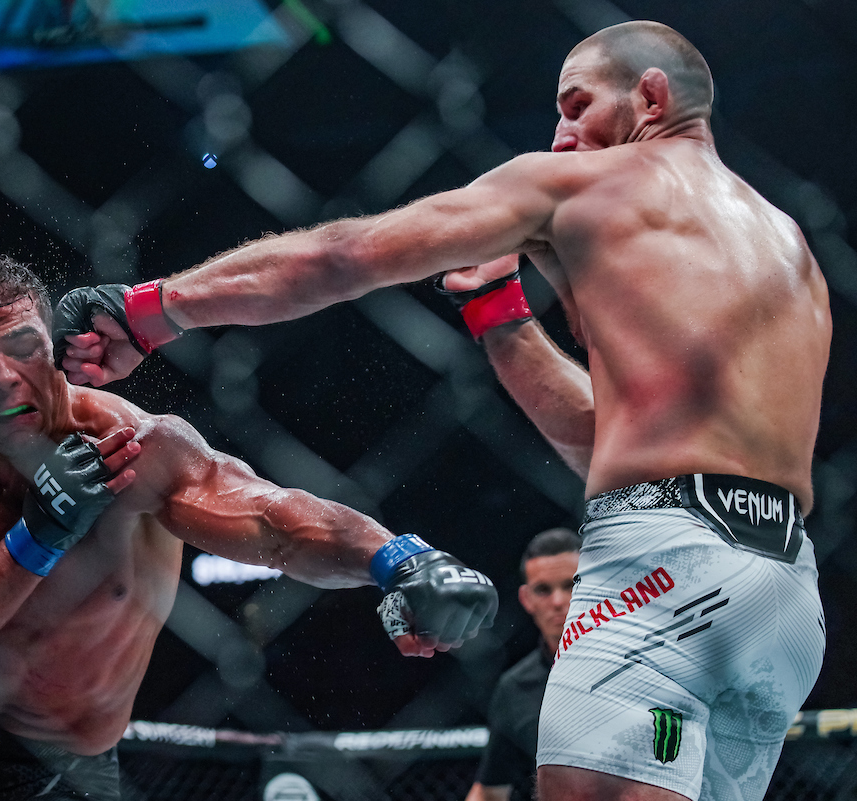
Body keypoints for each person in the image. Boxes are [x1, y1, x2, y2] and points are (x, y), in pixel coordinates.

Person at [54, 20, 830, 801]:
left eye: (577, 105)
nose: (561, 137)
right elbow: (612, 441)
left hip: (657, 563)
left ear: (651, 96)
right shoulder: (787, 243)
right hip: (786, 596)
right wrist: (499, 315)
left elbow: (341, 256)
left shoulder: (583, 185)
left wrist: (152, 308)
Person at [0, 248, 497, 801]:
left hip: (63, 773)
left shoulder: (133, 448)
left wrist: (398, 558)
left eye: (22, 346)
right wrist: (38, 538)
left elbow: (271, 519)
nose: (3, 378)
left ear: (51, 346)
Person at [467, 528, 580, 801]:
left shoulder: (646, 663)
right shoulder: (516, 689)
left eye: (571, 585)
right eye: (543, 590)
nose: (558, 601)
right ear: (526, 600)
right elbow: (489, 793)